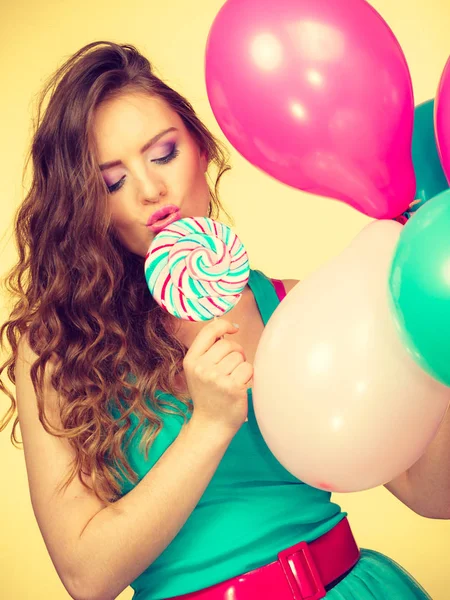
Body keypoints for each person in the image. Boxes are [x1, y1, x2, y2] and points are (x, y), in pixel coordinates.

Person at [0, 40, 445, 600]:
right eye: (112, 181)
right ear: (87, 206)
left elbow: (431, 495)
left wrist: (440, 341)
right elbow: (87, 577)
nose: (150, 189)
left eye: (163, 153)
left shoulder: (299, 307)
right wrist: (209, 423)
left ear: (202, 151)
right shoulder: (58, 349)